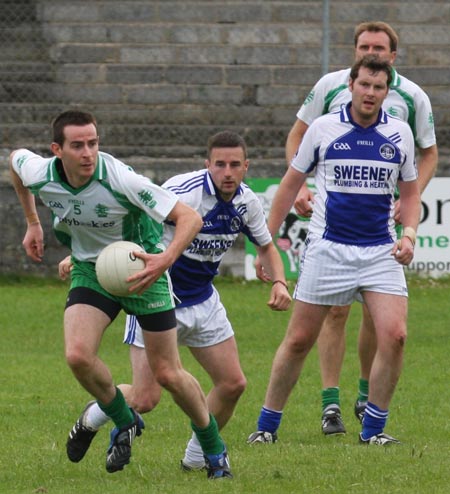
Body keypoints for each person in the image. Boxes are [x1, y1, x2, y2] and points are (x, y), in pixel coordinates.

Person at [9, 110, 233, 479]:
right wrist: (33, 223)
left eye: (93, 143)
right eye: (77, 145)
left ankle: (213, 448)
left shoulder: (120, 179)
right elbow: (14, 161)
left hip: (142, 270)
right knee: (78, 355)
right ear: (56, 150)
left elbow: (189, 218)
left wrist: (165, 259)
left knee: (168, 374)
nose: (87, 152)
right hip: (90, 270)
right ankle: (123, 418)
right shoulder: (40, 173)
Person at [60, 130, 291, 473]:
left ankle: (196, 459)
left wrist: (281, 283)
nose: (226, 172)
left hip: (203, 300)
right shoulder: (183, 191)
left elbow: (267, 246)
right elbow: (132, 216)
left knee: (233, 384)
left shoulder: (247, 202)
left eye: (234, 165)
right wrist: (94, 257)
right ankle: (92, 418)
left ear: (246, 167)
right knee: (144, 398)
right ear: (207, 164)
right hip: (157, 297)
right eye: (219, 164)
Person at [247, 55, 420, 446]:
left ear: (386, 92)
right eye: (364, 85)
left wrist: (408, 234)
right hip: (328, 250)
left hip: (380, 252)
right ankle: (266, 427)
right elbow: (290, 184)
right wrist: (265, 245)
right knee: (298, 340)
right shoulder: (324, 128)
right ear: (351, 87)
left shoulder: (400, 133)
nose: (370, 93)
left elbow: (410, 195)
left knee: (395, 336)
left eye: (378, 88)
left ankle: (373, 431)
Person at [285, 21, 437, 435]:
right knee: (333, 311)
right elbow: (299, 135)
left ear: (393, 55)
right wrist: (298, 182)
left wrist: (407, 201)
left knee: (381, 319)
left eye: (380, 47)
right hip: (334, 227)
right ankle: (330, 403)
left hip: (379, 229)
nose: (372, 52)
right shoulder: (330, 87)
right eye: (364, 46)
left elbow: (428, 153)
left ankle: (366, 395)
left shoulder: (412, 97)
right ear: (354, 56)